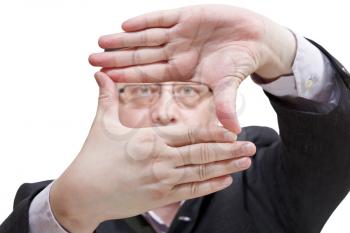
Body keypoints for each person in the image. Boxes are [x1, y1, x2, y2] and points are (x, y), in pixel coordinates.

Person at [1, 4, 350, 233]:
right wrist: (66, 212)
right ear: (112, 108)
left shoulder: (268, 178)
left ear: (216, 107)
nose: (165, 113)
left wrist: (277, 49)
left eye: (187, 92)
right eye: (141, 92)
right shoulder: (64, 199)